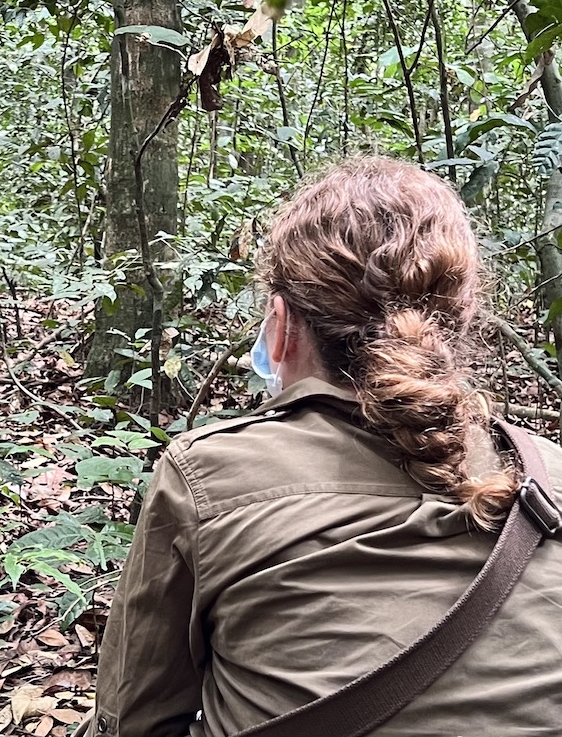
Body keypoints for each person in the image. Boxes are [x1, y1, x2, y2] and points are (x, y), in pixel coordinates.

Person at [75, 157, 562, 737]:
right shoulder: (548, 474)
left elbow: (134, 720)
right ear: (457, 321)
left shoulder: (207, 473)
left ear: (280, 324)